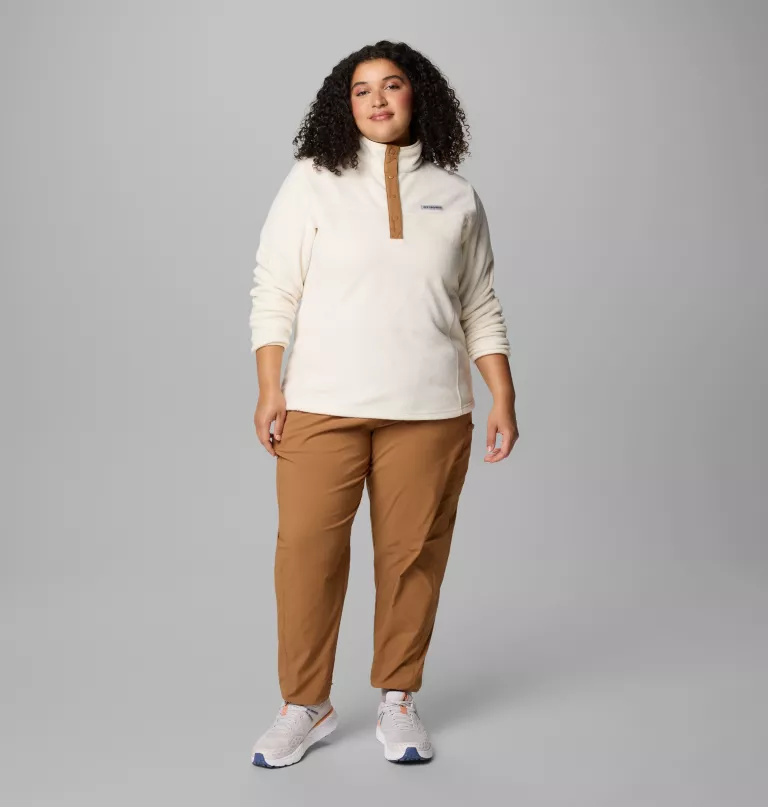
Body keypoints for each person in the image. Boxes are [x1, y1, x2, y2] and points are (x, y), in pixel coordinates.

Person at [247, 40, 519, 768]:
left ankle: (398, 697)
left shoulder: (457, 197)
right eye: (361, 89)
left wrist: (502, 393)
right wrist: (271, 385)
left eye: (391, 85)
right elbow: (274, 287)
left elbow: (479, 303)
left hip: (430, 408)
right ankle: (304, 704)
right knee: (306, 554)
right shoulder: (311, 181)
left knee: (412, 558)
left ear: (416, 95)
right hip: (321, 402)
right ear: (345, 105)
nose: (376, 99)